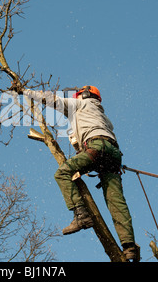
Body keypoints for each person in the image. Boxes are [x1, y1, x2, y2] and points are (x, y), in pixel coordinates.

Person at [15, 84, 139, 261]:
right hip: (113, 155)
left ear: (85, 95)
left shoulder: (81, 104)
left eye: (78, 95)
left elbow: (51, 100)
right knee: (116, 202)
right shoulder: (103, 117)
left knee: (62, 173)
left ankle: (81, 215)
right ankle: (129, 246)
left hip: (96, 148)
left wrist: (24, 91)